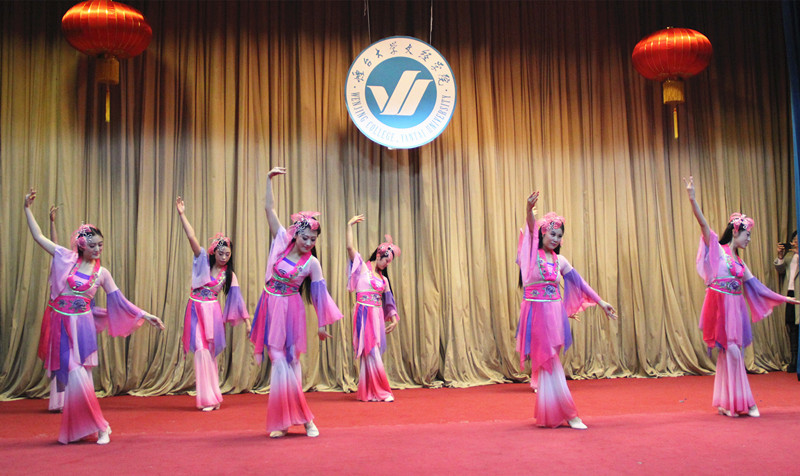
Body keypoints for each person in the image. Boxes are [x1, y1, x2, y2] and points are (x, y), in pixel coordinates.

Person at [24, 188, 165, 444]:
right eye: (93, 245)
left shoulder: (102, 274)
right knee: (73, 377)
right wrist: (27, 209)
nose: (98, 249)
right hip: (60, 325)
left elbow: (120, 301)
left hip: (83, 326)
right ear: (81, 245)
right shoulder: (66, 259)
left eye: (100, 245)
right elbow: (39, 237)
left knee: (80, 377)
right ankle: (81, 428)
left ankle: (101, 427)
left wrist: (146, 314)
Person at [684, 176, 798, 417]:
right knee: (733, 354)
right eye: (748, 235)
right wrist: (693, 199)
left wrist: (785, 298)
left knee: (732, 354)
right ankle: (746, 402)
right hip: (719, 308)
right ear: (736, 232)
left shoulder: (739, 263)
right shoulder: (718, 251)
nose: (749, 239)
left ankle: (727, 402)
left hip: (735, 310)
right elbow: (703, 225)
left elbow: (758, 288)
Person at [249, 167, 343, 438]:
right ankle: (285, 420)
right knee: (277, 361)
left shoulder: (312, 263)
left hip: (291, 310)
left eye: (313, 240)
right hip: (270, 306)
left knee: (291, 362)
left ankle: (304, 420)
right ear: (295, 234)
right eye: (305, 238)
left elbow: (320, 294)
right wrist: (268, 180)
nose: (309, 243)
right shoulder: (281, 242)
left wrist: (322, 325)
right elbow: (269, 209)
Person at [516, 191, 617, 429]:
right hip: (536, 315)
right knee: (550, 362)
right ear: (543, 233)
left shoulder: (560, 261)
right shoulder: (531, 256)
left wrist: (601, 302)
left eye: (559, 236)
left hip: (554, 315)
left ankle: (551, 412)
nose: (555, 238)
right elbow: (529, 231)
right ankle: (570, 414)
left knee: (551, 362)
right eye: (552, 233)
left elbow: (580, 283)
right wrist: (528, 211)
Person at [176, 197, 251, 411]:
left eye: (227, 254)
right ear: (213, 252)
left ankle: (214, 397)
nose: (224, 257)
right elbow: (192, 237)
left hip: (212, 313)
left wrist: (247, 323)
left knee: (209, 354)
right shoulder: (202, 263)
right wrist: (182, 215)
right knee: (200, 351)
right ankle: (208, 397)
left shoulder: (229, 275)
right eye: (220, 253)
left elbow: (238, 301)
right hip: (195, 310)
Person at [345, 214, 400, 402]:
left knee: (372, 349)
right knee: (370, 350)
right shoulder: (362, 267)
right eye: (386, 260)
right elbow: (350, 248)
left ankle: (369, 391)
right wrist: (349, 225)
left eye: (389, 262)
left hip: (376, 314)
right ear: (378, 255)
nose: (387, 264)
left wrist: (394, 320)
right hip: (363, 312)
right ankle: (382, 391)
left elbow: (389, 301)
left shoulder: (383, 280)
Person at [46, 204, 65, 412]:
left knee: (68, 359)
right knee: (57, 357)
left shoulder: (73, 270)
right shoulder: (58, 262)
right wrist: (52, 224)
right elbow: (54, 246)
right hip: (56, 316)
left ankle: (66, 400)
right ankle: (57, 401)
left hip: (70, 316)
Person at [774, 231, 799, 374]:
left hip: (799, 294)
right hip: (790, 293)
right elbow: (780, 269)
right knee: (791, 326)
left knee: (798, 325)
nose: (795, 242)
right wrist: (780, 255)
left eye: (797, 240)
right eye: (794, 240)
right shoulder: (789, 256)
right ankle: (793, 359)